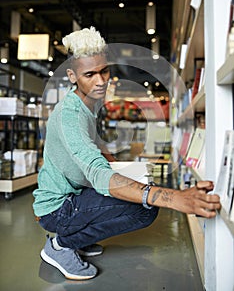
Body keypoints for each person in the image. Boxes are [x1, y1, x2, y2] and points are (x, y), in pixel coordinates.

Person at [32, 27, 221, 281]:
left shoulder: (89, 101)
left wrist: (112, 159)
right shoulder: (70, 114)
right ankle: (61, 246)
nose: (101, 81)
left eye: (104, 71)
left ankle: (78, 238)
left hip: (74, 194)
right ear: (72, 75)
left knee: (138, 189)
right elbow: (97, 174)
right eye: (89, 74)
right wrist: (175, 199)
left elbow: (92, 141)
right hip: (58, 207)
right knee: (145, 208)